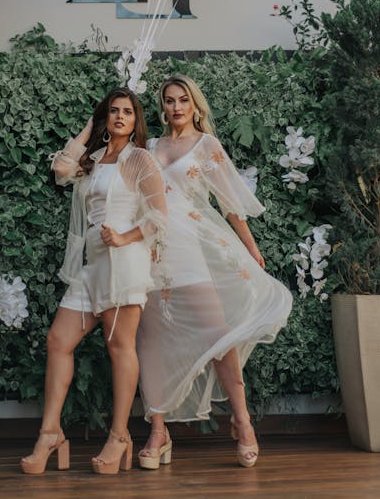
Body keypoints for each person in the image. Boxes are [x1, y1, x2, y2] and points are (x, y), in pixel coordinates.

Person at [136, 74, 293, 469]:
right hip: (151, 252)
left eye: (183, 100)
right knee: (150, 341)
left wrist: (252, 248)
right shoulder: (149, 146)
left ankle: (243, 422)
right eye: (169, 101)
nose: (175, 107)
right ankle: (158, 431)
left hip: (191, 248)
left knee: (218, 336)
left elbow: (229, 204)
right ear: (163, 106)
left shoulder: (207, 146)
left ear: (194, 105)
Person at [21, 87, 167, 476]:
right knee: (58, 341)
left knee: (119, 346)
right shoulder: (95, 158)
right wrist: (90, 126)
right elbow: (61, 169)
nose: (120, 117)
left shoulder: (140, 159)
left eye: (128, 112)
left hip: (124, 261)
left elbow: (159, 215)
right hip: (91, 266)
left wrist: (124, 237)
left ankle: (119, 435)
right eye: (113, 111)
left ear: (137, 121)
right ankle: (50, 433)